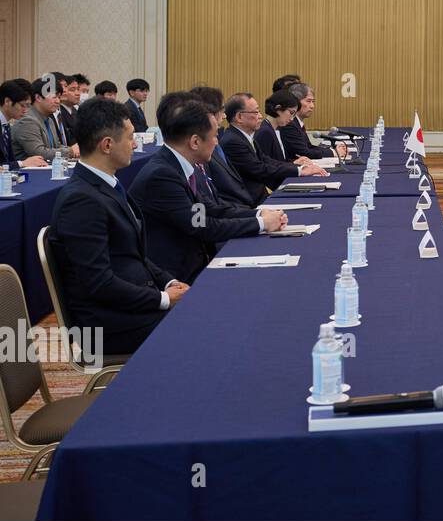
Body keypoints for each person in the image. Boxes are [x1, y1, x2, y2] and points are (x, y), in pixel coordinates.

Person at [46, 98, 188, 354]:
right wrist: (164, 299)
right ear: (107, 145)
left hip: (129, 307)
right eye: (131, 137)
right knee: (203, 327)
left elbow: (134, 256)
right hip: (110, 326)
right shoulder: (81, 200)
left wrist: (169, 283)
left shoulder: (107, 185)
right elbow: (98, 282)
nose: (135, 144)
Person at [130, 93, 284, 283]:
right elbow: (201, 225)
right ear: (195, 142)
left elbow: (209, 209)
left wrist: (258, 215)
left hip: (195, 259)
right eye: (214, 136)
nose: (217, 142)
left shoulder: (180, 165)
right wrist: (261, 224)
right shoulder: (162, 175)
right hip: (177, 275)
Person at [220, 93, 321, 195]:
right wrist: (298, 170)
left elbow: (266, 160)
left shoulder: (243, 137)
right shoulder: (233, 141)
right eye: (255, 112)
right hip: (253, 199)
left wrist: (296, 167)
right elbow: (260, 169)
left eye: (259, 111)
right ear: (239, 117)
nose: (260, 116)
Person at [190, 85, 260, 208]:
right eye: (222, 111)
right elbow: (202, 219)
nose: (224, 116)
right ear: (208, 114)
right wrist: (256, 218)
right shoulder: (199, 157)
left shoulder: (211, 147)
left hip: (240, 208)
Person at [256, 89, 330, 170]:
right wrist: (293, 166)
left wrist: (294, 162)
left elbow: (278, 161)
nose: (291, 119)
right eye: (291, 113)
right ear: (278, 109)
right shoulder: (265, 131)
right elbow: (266, 166)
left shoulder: (274, 129)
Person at [11, 75, 79, 162]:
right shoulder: (27, 120)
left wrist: (75, 150)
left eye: (59, 97)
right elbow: (39, 152)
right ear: (38, 97)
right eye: (54, 97)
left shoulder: (49, 119)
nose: (58, 101)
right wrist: (71, 151)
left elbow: (56, 146)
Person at [281, 82, 343, 160]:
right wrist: (334, 152)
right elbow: (304, 152)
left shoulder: (297, 122)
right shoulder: (289, 124)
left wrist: (332, 150)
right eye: (308, 101)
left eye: (313, 101)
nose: (312, 106)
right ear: (295, 102)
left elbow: (309, 147)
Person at [1, 78, 48, 168]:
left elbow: (9, 160)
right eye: (23, 105)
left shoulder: (5, 125)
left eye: (28, 106)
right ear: (7, 101)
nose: (26, 110)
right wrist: (22, 163)